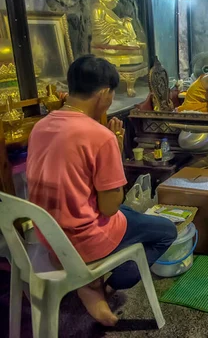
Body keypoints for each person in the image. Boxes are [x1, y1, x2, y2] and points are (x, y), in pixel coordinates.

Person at [27, 55, 177, 326]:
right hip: (85, 239)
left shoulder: (40, 128)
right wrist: (116, 153)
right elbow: (109, 206)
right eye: (111, 95)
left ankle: (90, 284)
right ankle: (101, 284)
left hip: (49, 237)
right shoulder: (100, 136)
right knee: (166, 231)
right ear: (105, 93)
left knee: (131, 212)